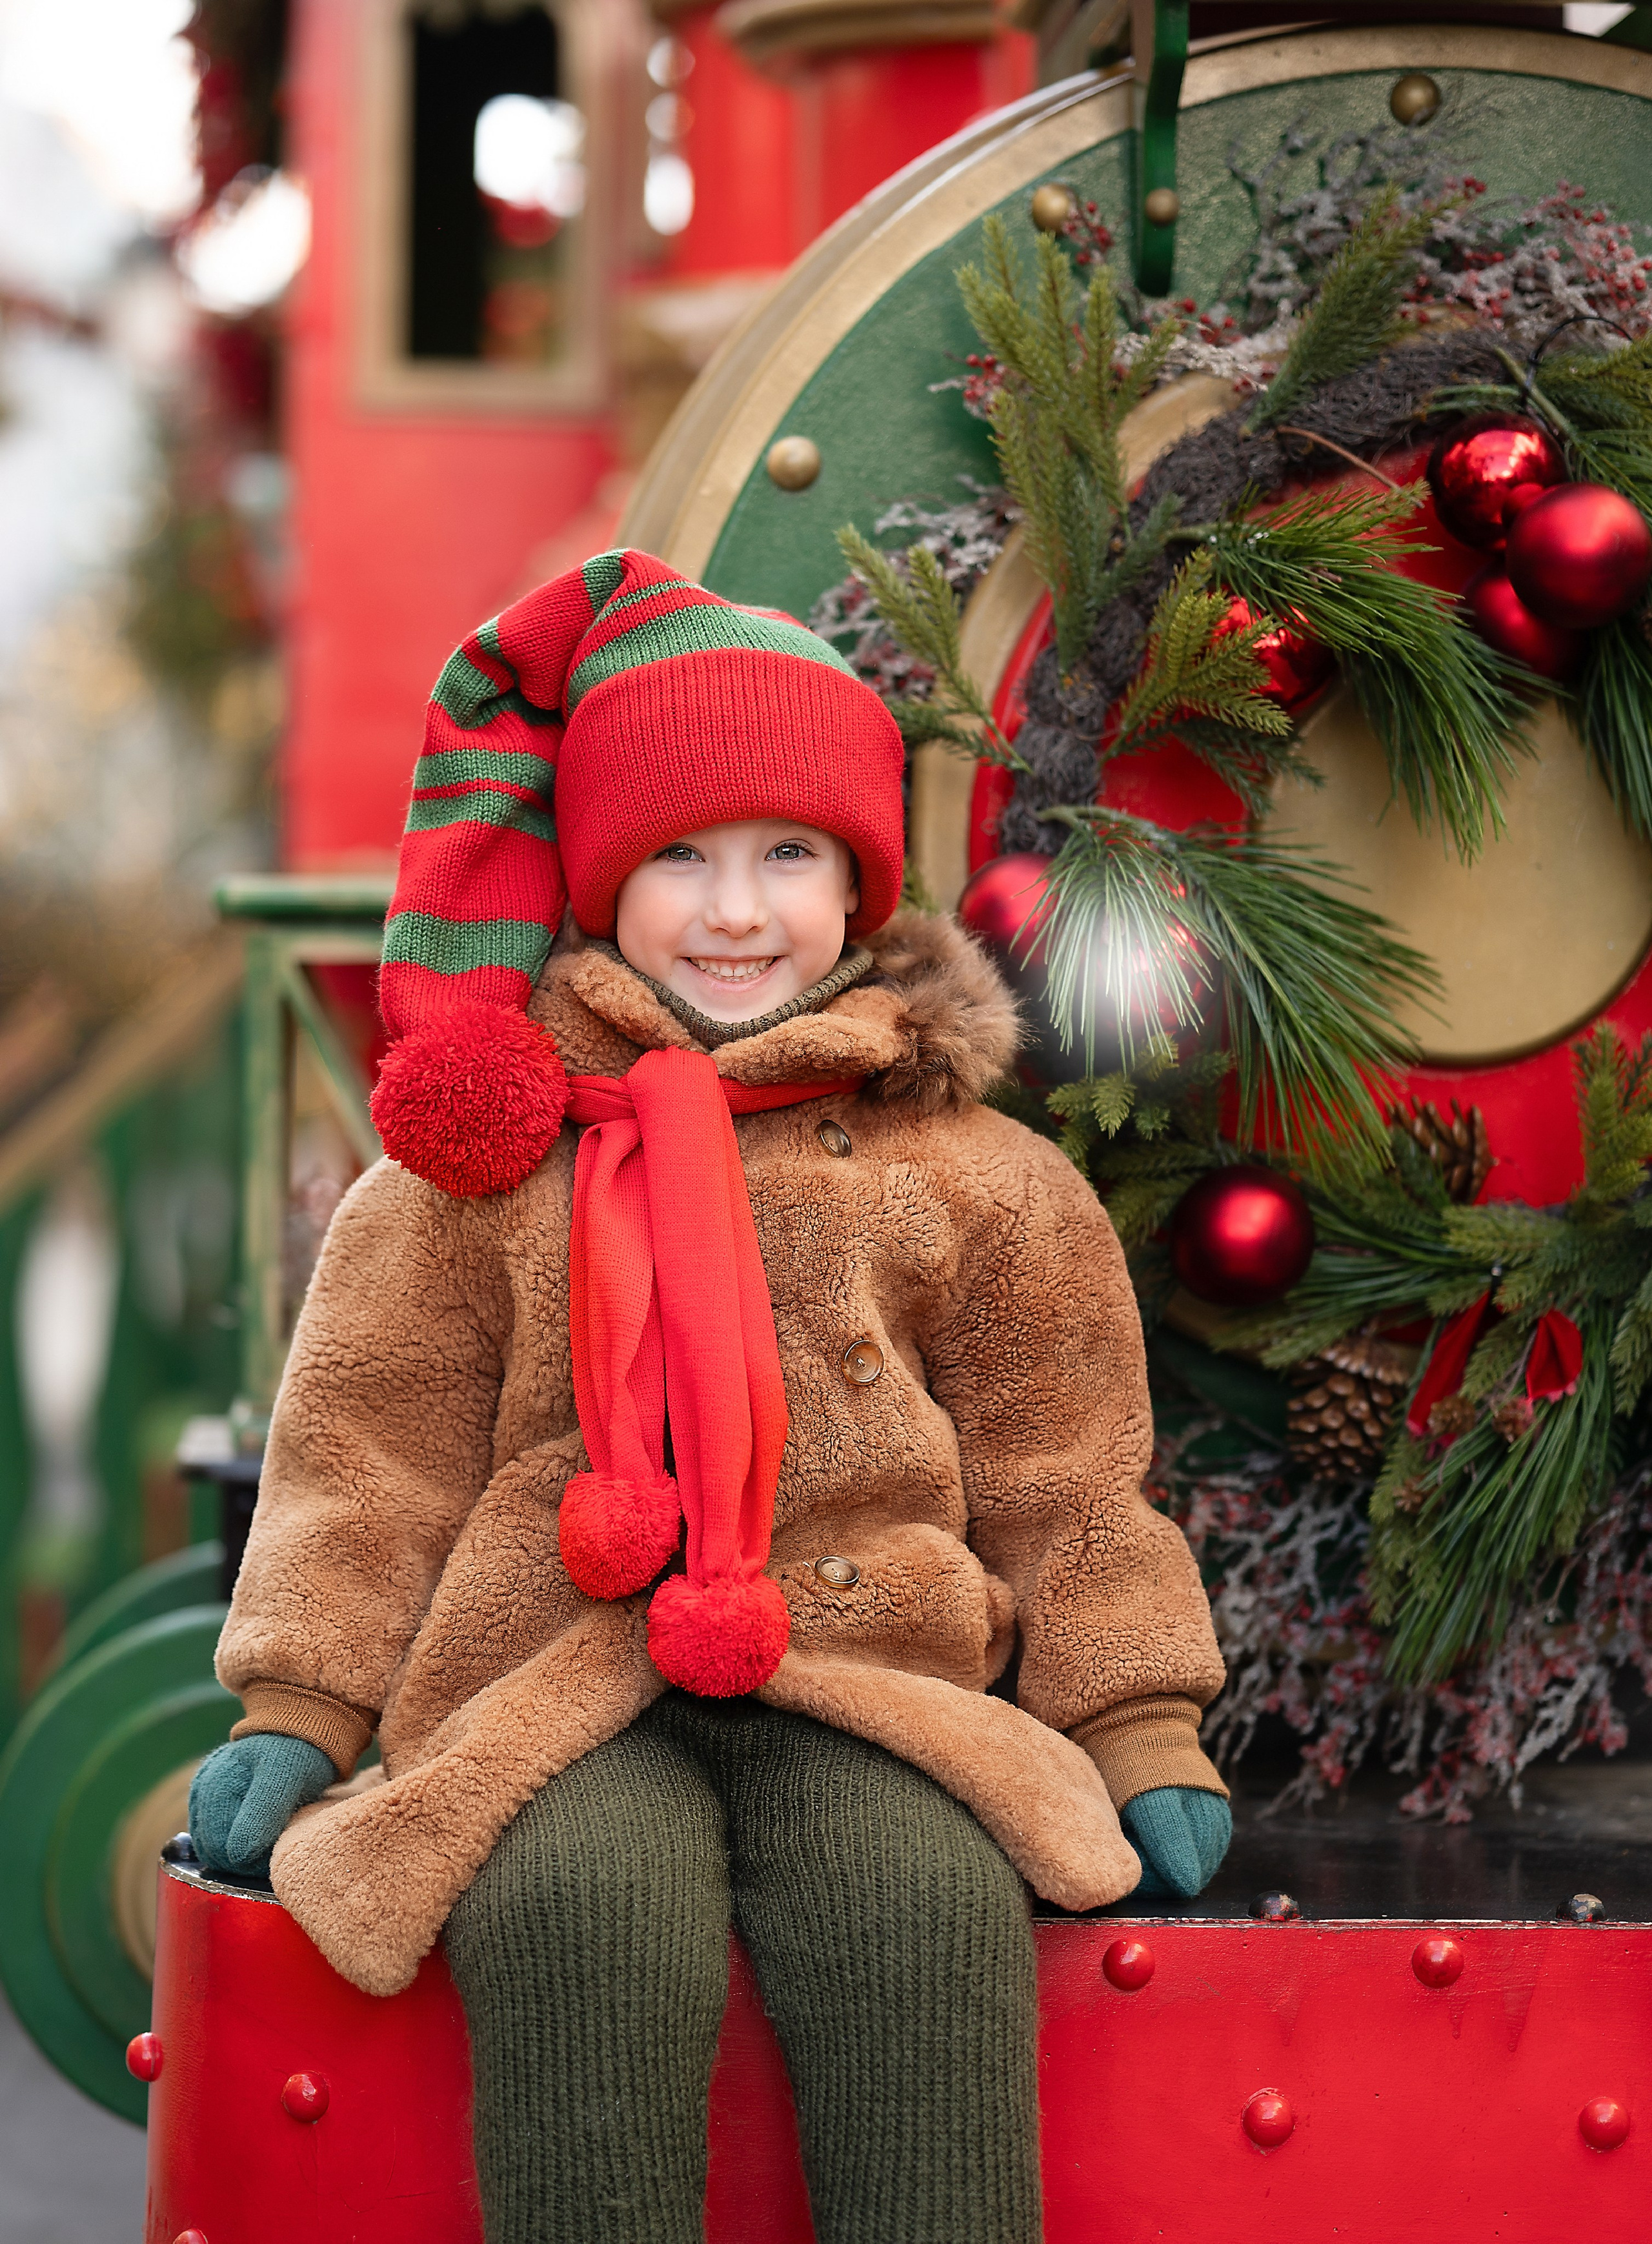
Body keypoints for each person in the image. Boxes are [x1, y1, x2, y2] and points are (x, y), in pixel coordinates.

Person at [188, 550, 1231, 2244]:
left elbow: (1068, 1476)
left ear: (857, 886)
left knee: (922, 1912)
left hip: (866, 1670)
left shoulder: (973, 1174)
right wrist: (300, 1699)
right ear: (601, 883)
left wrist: (1135, 1716)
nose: (735, 911)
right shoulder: (484, 1172)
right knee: (581, 1911)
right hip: (550, 1672)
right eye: (680, 856)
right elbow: (365, 1460)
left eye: (787, 857)